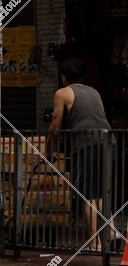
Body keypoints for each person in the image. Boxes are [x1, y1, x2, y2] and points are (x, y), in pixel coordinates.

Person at [47, 59, 113, 251]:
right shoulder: (94, 91)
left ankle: (94, 243)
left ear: (64, 76)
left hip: (86, 143)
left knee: (88, 195)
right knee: (102, 192)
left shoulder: (62, 93)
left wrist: (49, 150)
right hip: (109, 142)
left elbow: (55, 125)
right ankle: (108, 238)